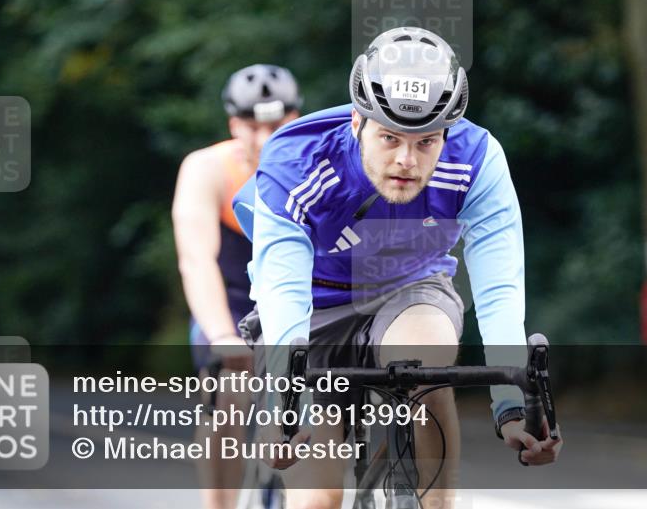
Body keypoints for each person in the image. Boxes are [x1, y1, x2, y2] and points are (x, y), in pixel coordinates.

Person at [234, 27, 562, 509]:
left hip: (411, 286)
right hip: (314, 304)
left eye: (426, 142)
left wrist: (512, 404)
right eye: (389, 137)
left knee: (425, 356)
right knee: (316, 500)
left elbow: (499, 290)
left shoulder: (477, 159)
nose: (407, 160)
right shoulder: (296, 161)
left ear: (447, 133)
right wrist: (286, 405)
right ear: (355, 122)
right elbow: (283, 296)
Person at [172, 64, 301, 509]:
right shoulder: (207, 169)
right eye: (252, 126)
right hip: (226, 300)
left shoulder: (314, 162)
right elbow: (196, 260)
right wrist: (224, 337)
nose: (265, 138)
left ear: (297, 118)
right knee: (228, 393)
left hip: (296, 294)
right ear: (233, 126)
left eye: (278, 125)